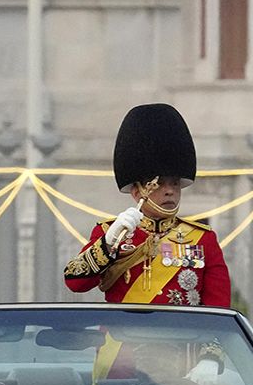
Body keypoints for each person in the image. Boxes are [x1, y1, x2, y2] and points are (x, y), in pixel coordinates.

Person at [64, 103, 229, 309]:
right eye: (158, 184)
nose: (169, 191)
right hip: (122, 330)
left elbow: (218, 308)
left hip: (179, 331)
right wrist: (107, 244)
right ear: (137, 192)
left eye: (174, 184)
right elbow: (75, 283)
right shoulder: (110, 233)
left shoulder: (203, 239)